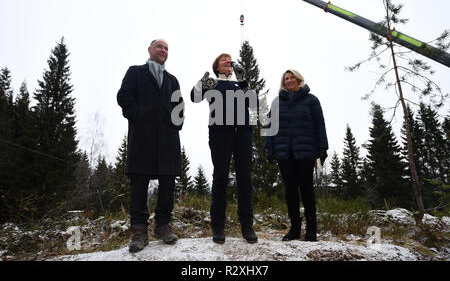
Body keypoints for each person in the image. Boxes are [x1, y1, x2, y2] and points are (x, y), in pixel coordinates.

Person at [117, 39, 184, 253]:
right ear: (150, 50)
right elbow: (123, 97)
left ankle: (163, 226)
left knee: (167, 181)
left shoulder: (172, 80)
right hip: (142, 137)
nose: (163, 50)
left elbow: (179, 107)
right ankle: (139, 230)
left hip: (167, 138)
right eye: (159, 47)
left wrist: (176, 125)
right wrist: (139, 115)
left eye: (166, 48)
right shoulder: (135, 72)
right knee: (139, 182)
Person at [190, 53, 257, 244]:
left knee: (245, 178)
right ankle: (218, 227)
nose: (228, 61)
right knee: (220, 177)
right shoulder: (213, 83)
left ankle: (247, 226)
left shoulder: (239, 84)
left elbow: (253, 103)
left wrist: (243, 80)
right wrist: (201, 84)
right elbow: (194, 98)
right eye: (223, 59)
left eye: (230, 59)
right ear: (217, 66)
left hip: (243, 133)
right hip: (220, 134)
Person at [265, 69, 328, 242]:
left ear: (298, 79)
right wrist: (269, 148)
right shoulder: (277, 102)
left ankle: (311, 230)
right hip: (284, 153)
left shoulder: (311, 100)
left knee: (307, 190)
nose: (289, 80)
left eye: (292, 77)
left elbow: (320, 125)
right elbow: (270, 126)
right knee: (290, 192)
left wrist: (323, 148)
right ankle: (294, 229)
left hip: (306, 152)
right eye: (286, 78)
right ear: (283, 82)